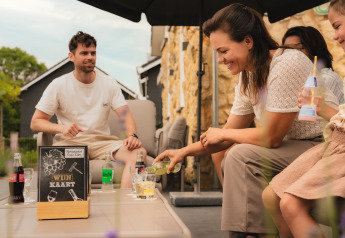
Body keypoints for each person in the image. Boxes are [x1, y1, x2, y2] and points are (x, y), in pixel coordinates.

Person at [153, 3, 339, 238]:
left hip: (324, 146)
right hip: (296, 146)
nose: (220, 59)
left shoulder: (287, 63)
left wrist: (225, 135)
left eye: (223, 51)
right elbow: (225, 136)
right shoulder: (248, 77)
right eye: (217, 53)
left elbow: (271, 138)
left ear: (248, 41)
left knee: (239, 155)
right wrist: (183, 152)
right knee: (223, 151)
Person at [262, 1, 345, 237]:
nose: (335, 35)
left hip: (338, 147)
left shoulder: (327, 77)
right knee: (271, 195)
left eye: (337, 26)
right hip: (335, 146)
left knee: (290, 203)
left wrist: (326, 111)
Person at [30, 31, 145, 188]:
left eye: (93, 53)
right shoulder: (58, 85)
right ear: (71, 56)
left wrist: (132, 136)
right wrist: (62, 128)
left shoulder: (109, 83)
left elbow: (125, 115)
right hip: (70, 143)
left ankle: (126, 204)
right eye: (84, 53)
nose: (90, 57)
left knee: (138, 153)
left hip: (102, 143)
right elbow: (36, 122)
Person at [282, 25, 345, 105]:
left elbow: (320, 114)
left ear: (314, 48)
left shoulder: (325, 78)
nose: (291, 54)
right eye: (287, 49)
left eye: (299, 48)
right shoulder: (292, 79)